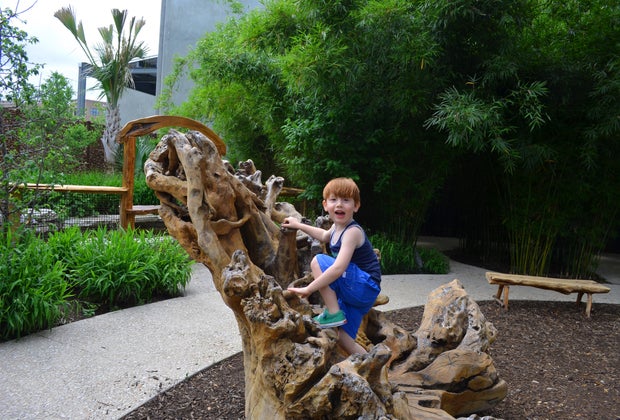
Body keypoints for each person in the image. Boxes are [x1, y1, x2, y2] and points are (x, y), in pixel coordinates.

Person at [283, 177, 381, 355]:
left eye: (346, 200)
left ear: (356, 206)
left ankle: (333, 312)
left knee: (318, 261)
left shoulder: (352, 232)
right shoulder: (336, 228)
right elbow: (323, 236)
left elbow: (338, 268)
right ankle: (372, 364)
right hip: (359, 292)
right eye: (334, 199)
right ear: (325, 205)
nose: (339, 204)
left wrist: (309, 289)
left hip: (364, 285)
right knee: (344, 339)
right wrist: (298, 225)